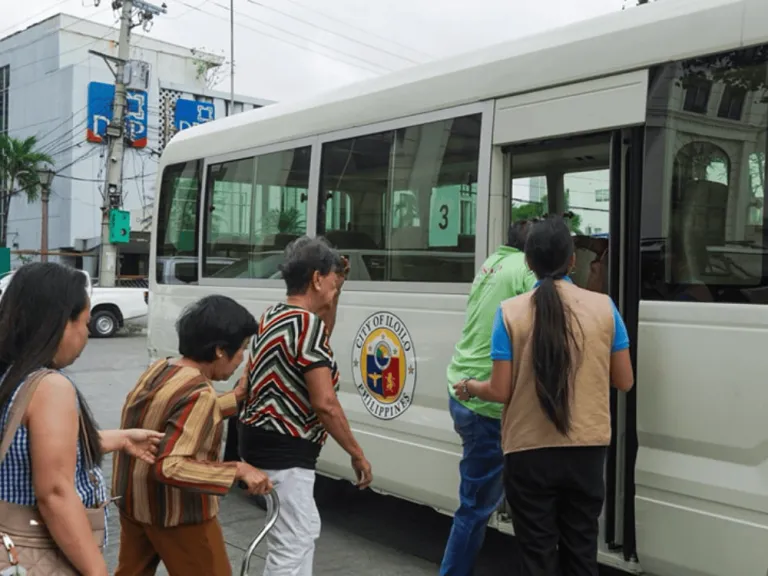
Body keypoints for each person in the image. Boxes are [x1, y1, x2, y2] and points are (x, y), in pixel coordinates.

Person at [454, 216, 634, 576]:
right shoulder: (604, 308)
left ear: (528, 262)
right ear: (572, 262)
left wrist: (470, 387)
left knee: (537, 555)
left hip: (528, 453)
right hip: (586, 451)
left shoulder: (510, 313)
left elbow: (500, 390)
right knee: (581, 552)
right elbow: (624, 380)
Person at [0, 262, 162, 576]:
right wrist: (96, 570)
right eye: (84, 323)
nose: (86, 335)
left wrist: (123, 438)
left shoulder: (9, 374)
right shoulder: (49, 386)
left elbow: (34, 450)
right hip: (38, 551)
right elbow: (56, 493)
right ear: (61, 323)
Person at [237, 235, 372, 576]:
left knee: (301, 529)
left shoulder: (275, 315)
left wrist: (338, 288)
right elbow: (325, 403)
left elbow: (320, 332)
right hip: (286, 449)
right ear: (316, 278)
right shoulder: (306, 325)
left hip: (258, 440)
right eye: (330, 278)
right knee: (292, 540)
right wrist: (356, 453)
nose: (333, 285)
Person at [112, 295, 273, 576]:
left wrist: (234, 399)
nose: (241, 360)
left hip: (135, 502)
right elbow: (170, 466)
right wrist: (237, 469)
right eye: (242, 350)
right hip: (177, 514)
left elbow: (170, 416)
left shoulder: (161, 369)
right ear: (221, 350)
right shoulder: (199, 392)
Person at [440, 220, 536, 576]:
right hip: (486, 399)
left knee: (502, 493)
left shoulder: (494, 261)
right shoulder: (525, 269)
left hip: (464, 388)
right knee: (476, 507)